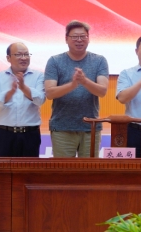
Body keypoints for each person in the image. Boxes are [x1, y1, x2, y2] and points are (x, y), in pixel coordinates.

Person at [44, 20, 109, 158]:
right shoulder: (55, 61)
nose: (79, 40)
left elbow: (102, 91)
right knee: (64, 170)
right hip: (62, 128)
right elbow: (49, 93)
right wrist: (72, 85)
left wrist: (84, 81)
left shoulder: (99, 60)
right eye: (74, 37)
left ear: (88, 38)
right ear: (66, 39)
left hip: (91, 127)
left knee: (90, 170)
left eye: (83, 36)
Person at [0, 42, 45, 157]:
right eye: (19, 54)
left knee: (29, 168)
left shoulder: (38, 76)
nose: (24, 58)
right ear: (8, 58)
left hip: (30, 134)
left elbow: (40, 100)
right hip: (5, 134)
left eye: (26, 54)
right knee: (3, 168)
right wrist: (10, 92)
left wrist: (24, 88)